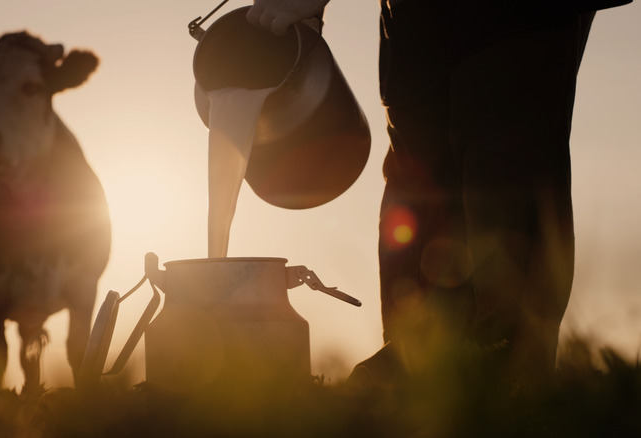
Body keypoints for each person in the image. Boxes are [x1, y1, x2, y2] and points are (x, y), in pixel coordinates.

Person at [247, 0, 632, 389]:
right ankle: (419, 366)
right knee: (417, 179)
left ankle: (506, 380)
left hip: (515, 15)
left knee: (501, 170)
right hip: (415, 19)